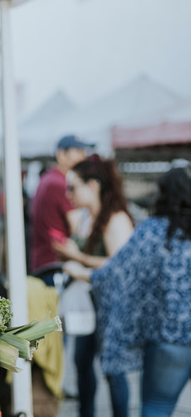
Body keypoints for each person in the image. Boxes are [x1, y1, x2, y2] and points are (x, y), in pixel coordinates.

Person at [65, 166, 191, 417]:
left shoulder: (152, 232)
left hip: (170, 339)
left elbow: (117, 272)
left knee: (156, 408)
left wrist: (81, 272)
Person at [53, 155, 134, 417]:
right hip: (87, 303)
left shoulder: (117, 219)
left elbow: (119, 267)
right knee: (82, 362)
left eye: (73, 187)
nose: (69, 194)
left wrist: (78, 260)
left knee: (113, 369)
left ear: (94, 185)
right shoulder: (86, 218)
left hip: (112, 305)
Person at [29, 134, 93, 281]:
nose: (84, 157)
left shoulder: (48, 179)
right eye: (78, 152)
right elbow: (78, 228)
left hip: (45, 263)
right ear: (61, 155)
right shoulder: (60, 184)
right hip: (55, 266)